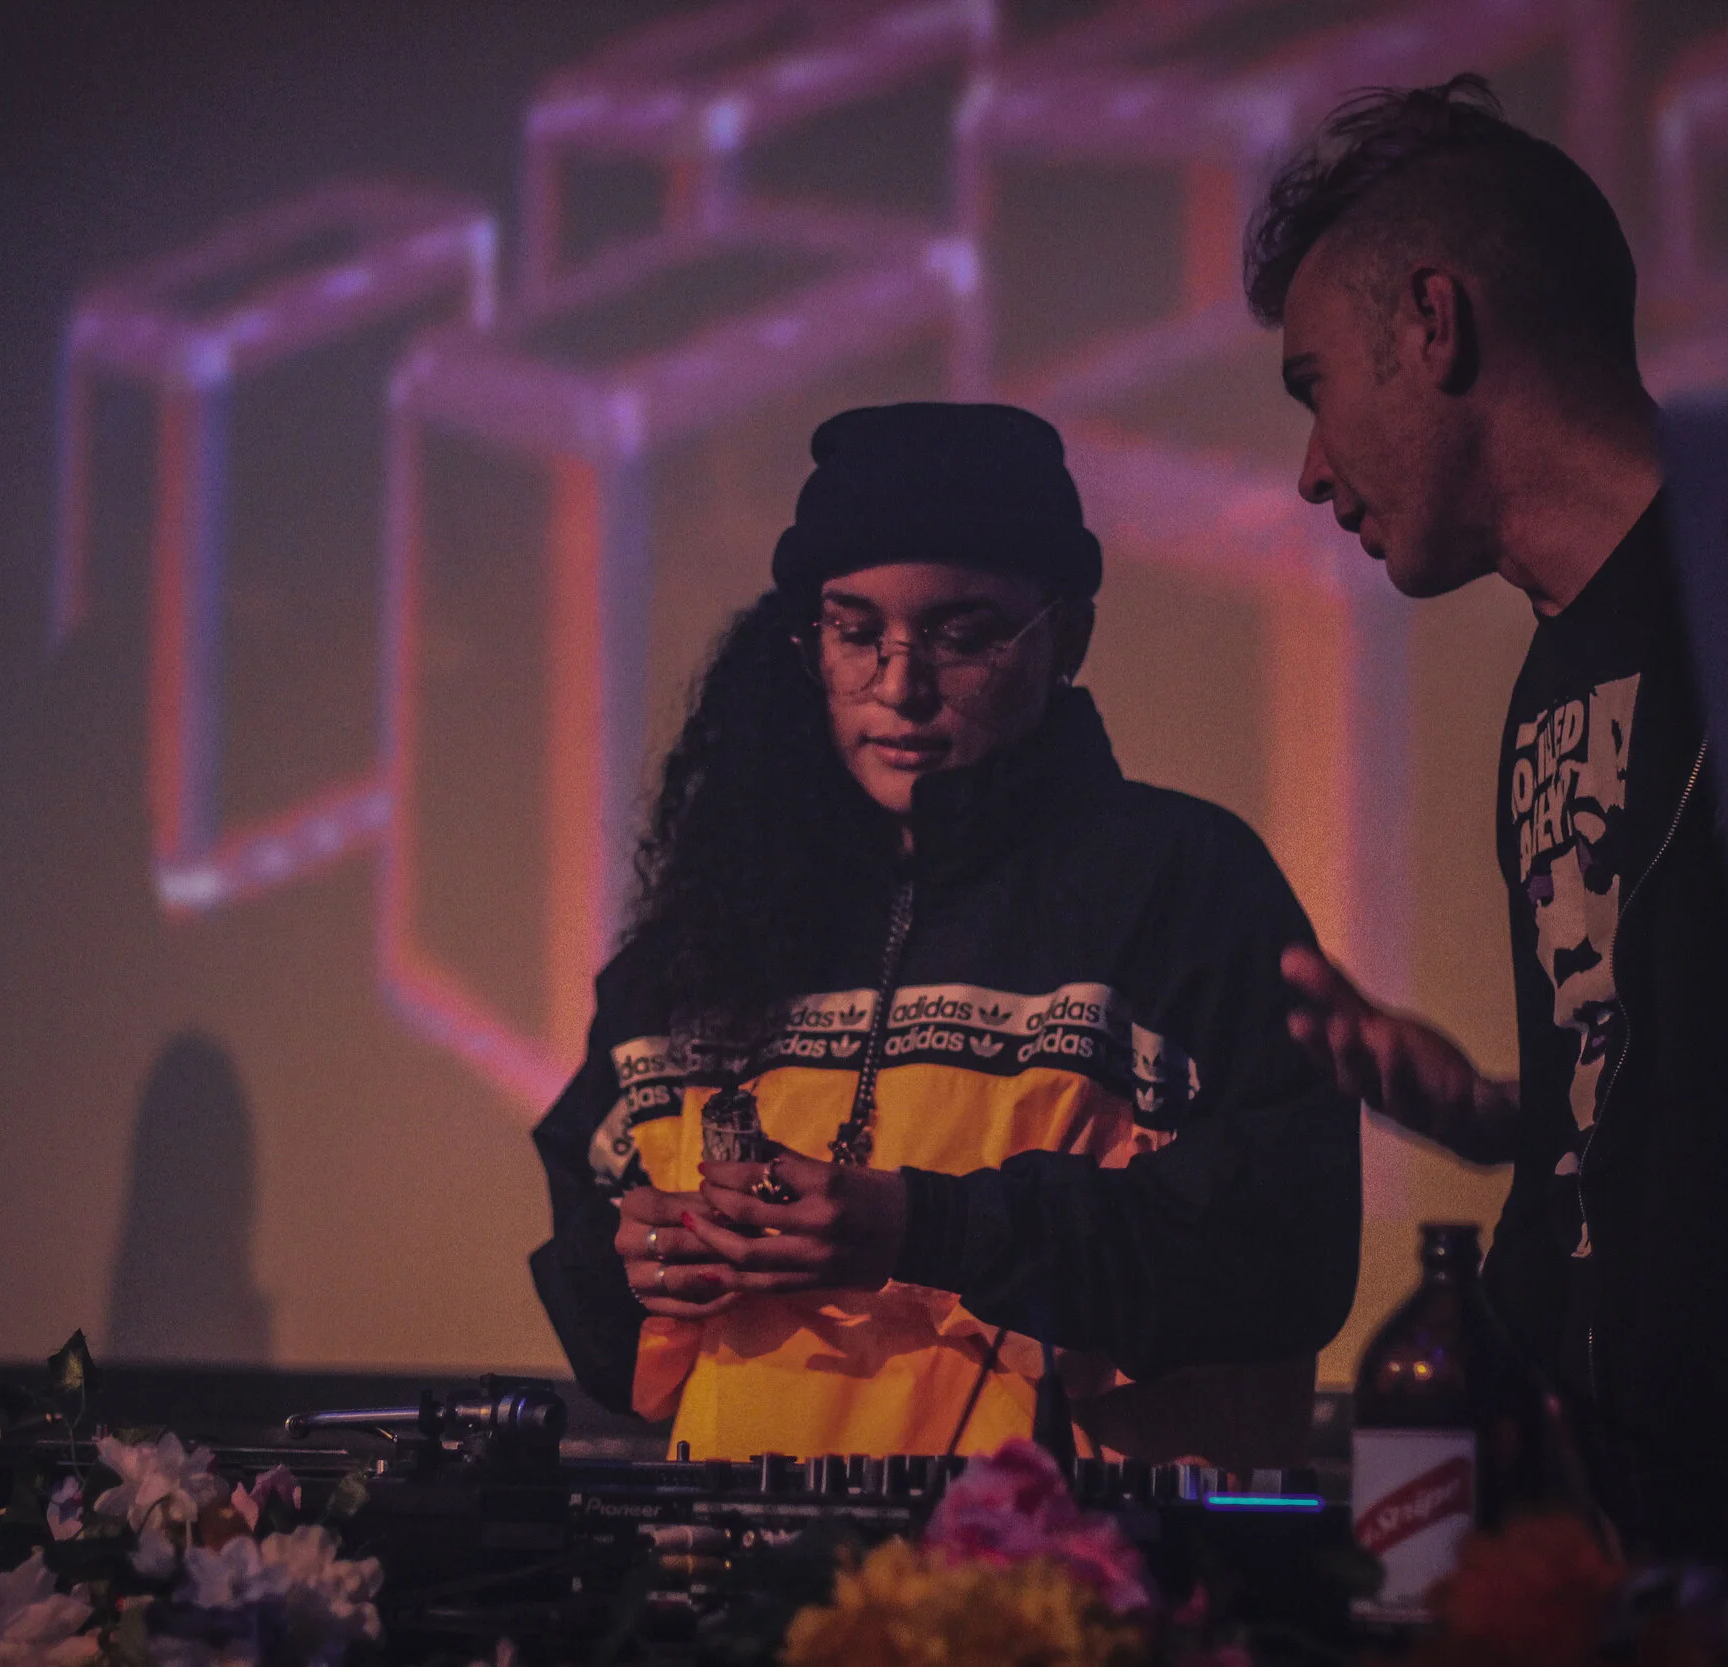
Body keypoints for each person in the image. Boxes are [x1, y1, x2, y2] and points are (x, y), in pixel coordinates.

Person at [1244, 77, 1728, 1620]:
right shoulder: (1556, 670)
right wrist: (1500, 1111)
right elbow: (1717, 1084)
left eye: (1314, 386)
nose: (1310, 469)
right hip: (1636, 1566)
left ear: (1434, 323)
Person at [530, 403, 1359, 1464]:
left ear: (1067, 634)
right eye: (855, 630)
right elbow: (602, 1295)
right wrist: (639, 1261)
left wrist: (921, 1228)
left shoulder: (1182, 880)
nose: (899, 685)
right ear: (805, 638)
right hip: (746, 1590)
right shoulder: (715, 919)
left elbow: (1283, 1251)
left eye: (961, 635)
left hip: (1064, 1595)